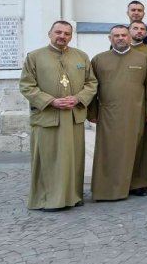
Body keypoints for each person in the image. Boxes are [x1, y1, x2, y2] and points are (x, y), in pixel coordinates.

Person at [20, 21, 98, 211]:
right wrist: (50, 101)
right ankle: (47, 199)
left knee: (73, 160)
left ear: (71, 36)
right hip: (48, 117)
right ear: (50, 33)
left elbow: (92, 83)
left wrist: (79, 98)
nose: (62, 36)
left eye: (67, 33)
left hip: (73, 116)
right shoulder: (35, 57)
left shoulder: (81, 56)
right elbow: (26, 85)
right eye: (58, 32)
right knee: (49, 159)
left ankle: (73, 196)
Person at [88, 25, 147, 201]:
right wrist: (92, 112)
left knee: (137, 148)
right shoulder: (98, 60)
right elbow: (91, 88)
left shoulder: (143, 59)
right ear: (110, 39)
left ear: (130, 37)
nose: (120, 38)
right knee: (109, 151)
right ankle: (106, 188)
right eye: (116, 36)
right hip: (109, 114)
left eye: (124, 35)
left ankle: (137, 184)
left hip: (136, 111)